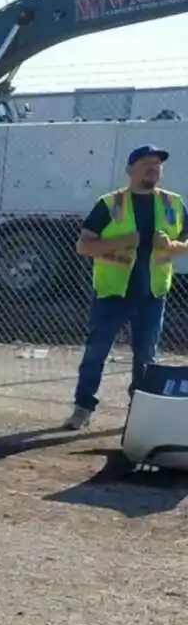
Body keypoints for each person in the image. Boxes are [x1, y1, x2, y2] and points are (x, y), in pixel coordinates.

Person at [66, 145, 186, 430]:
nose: (153, 168)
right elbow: (83, 246)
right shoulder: (110, 204)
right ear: (130, 169)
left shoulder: (173, 203)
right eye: (146, 163)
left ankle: (139, 413)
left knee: (146, 356)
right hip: (113, 293)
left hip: (152, 294)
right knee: (97, 352)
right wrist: (122, 241)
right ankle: (83, 407)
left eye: (157, 164)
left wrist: (173, 247)